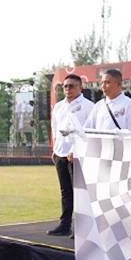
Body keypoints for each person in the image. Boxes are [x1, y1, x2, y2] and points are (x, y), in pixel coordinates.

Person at [48, 74, 94, 236]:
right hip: (61, 153)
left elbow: (89, 132)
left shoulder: (88, 106)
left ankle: (84, 227)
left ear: (80, 87)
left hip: (78, 155)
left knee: (81, 193)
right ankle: (65, 224)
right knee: (65, 191)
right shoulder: (58, 106)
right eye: (65, 86)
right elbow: (55, 128)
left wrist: (77, 150)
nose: (68, 89)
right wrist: (55, 149)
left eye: (72, 86)